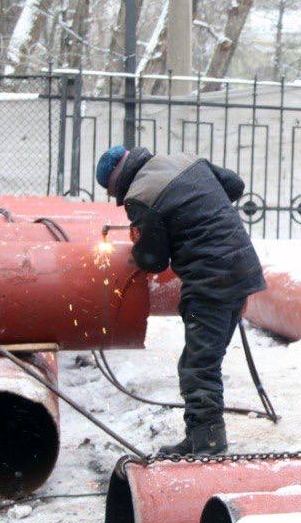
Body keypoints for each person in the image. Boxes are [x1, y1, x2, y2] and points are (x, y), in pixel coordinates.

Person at [96, 145, 266, 456]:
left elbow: (154, 259)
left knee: (197, 365)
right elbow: (235, 185)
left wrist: (138, 243)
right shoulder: (186, 160)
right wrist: (200, 210)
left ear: (116, 183)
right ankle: (202, 436)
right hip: (241, 266)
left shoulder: (141, 195)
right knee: (205, 359)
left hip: (211, 277)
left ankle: (208, 443)